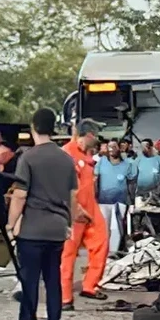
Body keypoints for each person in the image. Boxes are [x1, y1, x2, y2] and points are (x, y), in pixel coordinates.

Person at [4, 109, 80, 320]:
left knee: (29, 281)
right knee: (53, 280)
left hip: (32, 230)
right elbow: (73, 196)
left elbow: (20, 195)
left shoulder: (28, 157)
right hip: (57, 230)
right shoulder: (66, 158)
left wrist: (10, 223)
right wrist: (68, 223)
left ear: (33, 127)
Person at [60, 120, 109, 308]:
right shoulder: (67, 154)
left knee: (102, 241)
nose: (97, 142)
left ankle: (90, 285)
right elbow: (66, 186)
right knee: (68, 254)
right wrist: (75, 209)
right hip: (74, 209)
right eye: (95, 137)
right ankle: (65, 297)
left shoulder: (86, 155)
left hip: (91, 206)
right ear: (88, 135)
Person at [96, 140, 137, 257]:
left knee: (116, 229)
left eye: (114, 146)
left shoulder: (127, 164)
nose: (111, 149)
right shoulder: (102, 162)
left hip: (120, 202)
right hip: (103, 201)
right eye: (109, 147)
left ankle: (112, 253)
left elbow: (131, 183)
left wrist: (132, 202)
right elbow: (95, 179)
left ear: (119, 148)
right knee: (103, 229)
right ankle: (102, 253)